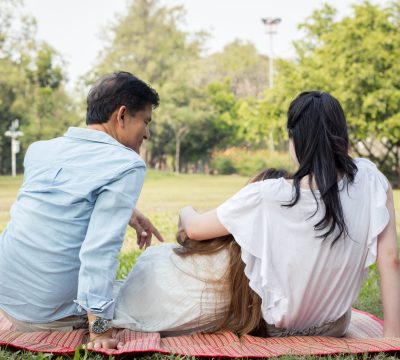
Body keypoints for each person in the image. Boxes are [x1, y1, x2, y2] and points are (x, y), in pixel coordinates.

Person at [178, 91, 400, 338]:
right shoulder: (372, 180)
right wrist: (392, 338)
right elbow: (390, 260)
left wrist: (185, 210)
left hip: (276, 328)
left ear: (296, 140)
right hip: (334, 326)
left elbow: (195, 229)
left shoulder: (269, 194)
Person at [0, 71, 163, 348]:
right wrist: (99, 329)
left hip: (9, 300)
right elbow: (100, 251)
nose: (146, 133)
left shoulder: (40, 150)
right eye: (145, 122)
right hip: (52, 314)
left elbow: (56, 210)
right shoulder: (125, 163)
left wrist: (128, 212)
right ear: (122, 115)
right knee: (155, 288)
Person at [107, 169, 288, 343]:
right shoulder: (276, 269)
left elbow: (190, 230)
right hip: (152, 304)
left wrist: (186, 209)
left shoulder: (224, 245)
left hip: (144, 295)